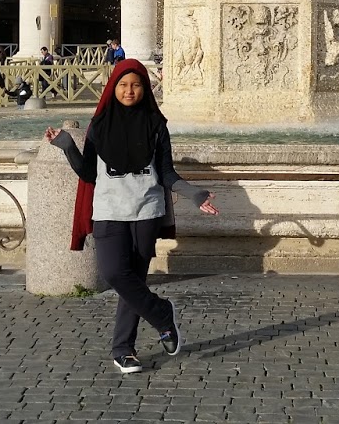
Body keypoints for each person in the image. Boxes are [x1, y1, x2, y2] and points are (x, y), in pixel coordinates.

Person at [46, 59, 217, 374]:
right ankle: (163, 314)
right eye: (123, 85)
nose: (129, 90)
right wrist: (67, 145)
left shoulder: (156, 125)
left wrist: (195, 195)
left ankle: (123, 350)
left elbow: (166, 173)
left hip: (145, 213)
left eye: (136, 85)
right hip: (109, 211)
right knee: (114, 274)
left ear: (145, 89)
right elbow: (88, 172)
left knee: (133, 282)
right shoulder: (99, 125)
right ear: (113, 88)